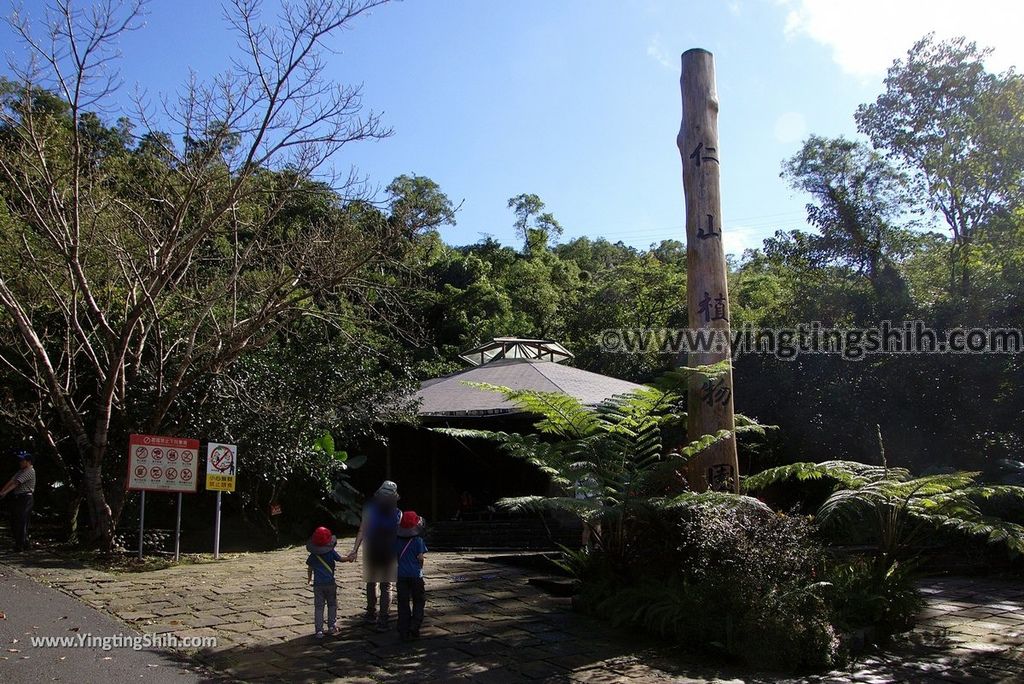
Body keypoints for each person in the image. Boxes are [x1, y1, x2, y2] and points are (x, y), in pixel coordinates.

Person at [345, 480, 401, 631]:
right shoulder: (397, 513)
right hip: (389, 549)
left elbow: (362, 530)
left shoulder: (370, 509)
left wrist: (355, 549)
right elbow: (399, 535)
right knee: (387, 586)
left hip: (373, 548)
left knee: (371, 582)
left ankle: (371, 614)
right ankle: (383, 620)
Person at [305, 525, 349, 639]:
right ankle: (331, 626)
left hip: (318, 585)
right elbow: (341, 559)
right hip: (330, 584)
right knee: (332, 605)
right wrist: (350, 557)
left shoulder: (313, 555)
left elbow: (309, 568)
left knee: (319, 607)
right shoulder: (331, 552)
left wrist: (309, 580)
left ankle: (319, 631)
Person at [394, 510, 427, 640]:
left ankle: (403, 629)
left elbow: (394, 556)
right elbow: (420, 557)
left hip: (401, 575)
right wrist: (420, 567)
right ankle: (415, 625)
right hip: (416, 576)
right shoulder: (418, 540)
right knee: (419, 601)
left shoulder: (396, 541)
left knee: (403, 603)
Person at [0, 451, 36, 552]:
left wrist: (5, 492)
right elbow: (11, 481)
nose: (20, 462)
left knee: (21, 522)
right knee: (15, 521)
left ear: (28, 461)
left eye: (22, 460)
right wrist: (2, 491)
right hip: (18, 498)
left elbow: (16, 483)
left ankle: (20, 545)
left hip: (26, 498)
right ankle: (24, 542)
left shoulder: (30, 471)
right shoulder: (21, 471)